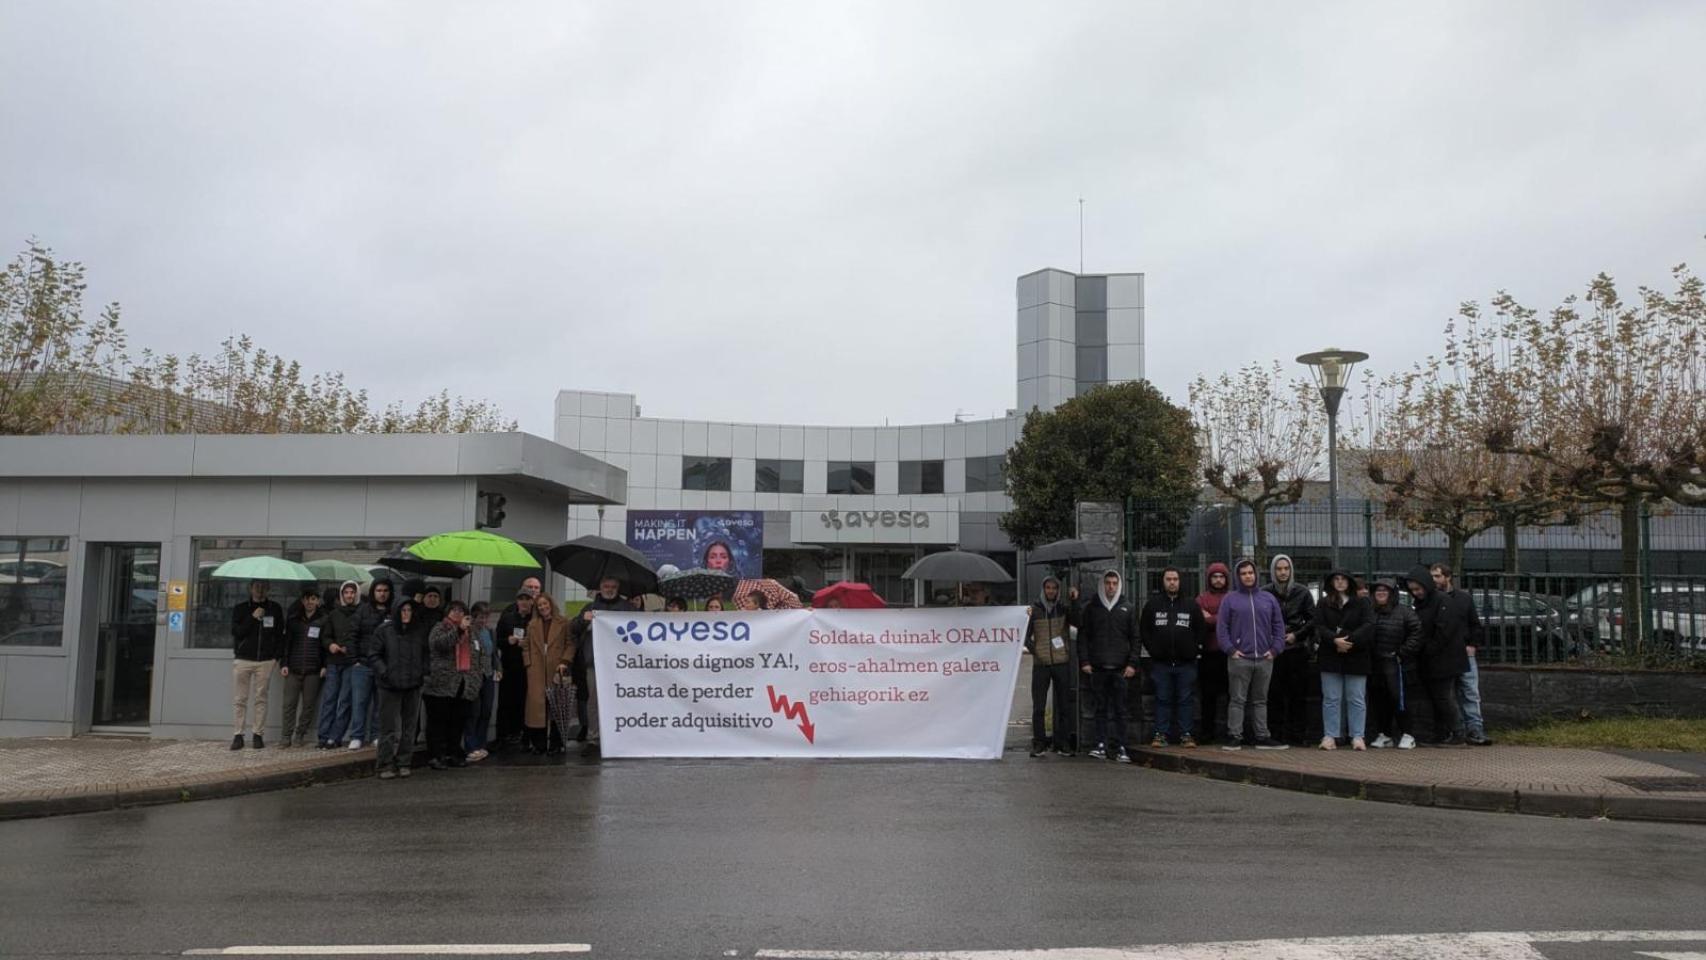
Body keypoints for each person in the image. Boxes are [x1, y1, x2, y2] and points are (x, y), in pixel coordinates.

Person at [1216, 559, 1289, 751]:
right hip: (1240, 658)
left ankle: (1262, 736)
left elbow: (1279, 626)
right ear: (1237, 577)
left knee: (1260, 700)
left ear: (1256, 574)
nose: (1248, 576)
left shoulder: (1268, 598)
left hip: (1265, 658)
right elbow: (1222, 628)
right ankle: (1234, 736)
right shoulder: (1230, 599)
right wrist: (1231, 650)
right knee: (1237, 699)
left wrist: (1275, 649)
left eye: (1251, 572)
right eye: (1243, 573)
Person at [1076, 569, 1138, 763]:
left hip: (1120, 669)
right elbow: (1083, 636)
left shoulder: (1128, 607)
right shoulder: (1092, 608)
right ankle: (1100, 744)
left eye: (1114, 583)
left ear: (1119, 585)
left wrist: (1132, 664)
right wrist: (1085, 661)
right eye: (1107, 583)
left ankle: (1122, 746)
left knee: (1120, 710)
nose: (1111, 587)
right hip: (1098, 667)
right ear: (1102, 584)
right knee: (1100, 709)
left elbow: (1135, 638)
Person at [1405, 564, 1469, 746]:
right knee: (1438, 698)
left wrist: (1426, 649)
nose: (1416, 593)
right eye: (1413, 590)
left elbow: (1444, 631)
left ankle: (1457, 733)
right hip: (1435, 657)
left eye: (1417, 589)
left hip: (1443, 658)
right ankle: (1443, 733)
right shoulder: (1429, 602)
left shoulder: (1441, 602)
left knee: (1444, 698)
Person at [1141, 567, 1204, 748]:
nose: (1172, 582)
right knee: (1162, 699)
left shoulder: (1191, 605)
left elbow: (1200, 630)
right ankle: (1160, 734)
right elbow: (1144, 630)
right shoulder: (1152, 605)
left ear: (1180, 581)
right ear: (1163, 581)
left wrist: (1194, 650)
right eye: (1168, 579)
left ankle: (1186, 735)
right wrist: (1153, 650)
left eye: (1175, 579)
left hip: (1186, 664)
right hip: (1161, 664)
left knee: (1186, 699)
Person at [1434, 564, 1493, 746]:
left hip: (1463, 651)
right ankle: (1454, 730)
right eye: (1433, 577)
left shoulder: (1463, 599)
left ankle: (1475, 729)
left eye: (1437, 576)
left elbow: (1474, 623)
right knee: (1447, 695)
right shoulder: (1432, 600)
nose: (1434, 580)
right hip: (1443, 653)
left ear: (1447, 577)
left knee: (1470, 692)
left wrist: (1473, 645)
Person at [1314, 570, 1374, 750]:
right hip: (1330, 655)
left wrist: (1349, 640)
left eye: (1343, 579)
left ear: (1350, 582)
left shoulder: (1362, 603)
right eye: (1336, 579)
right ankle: (1330, 735)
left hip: (1356, 655)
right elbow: (1319, 626)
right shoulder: (1324, 603)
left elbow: (1369, 625)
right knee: (1331, 698)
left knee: (1356, 697)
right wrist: (1334, 639)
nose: (1340, 583)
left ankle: (1357, 736)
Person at [424, 600, 486, 770]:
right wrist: (459, 630)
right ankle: (436, 755)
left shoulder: (473, 632)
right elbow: (439, 645)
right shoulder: (440, 628)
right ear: (448, 612)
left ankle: (453, 753)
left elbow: (480, 654)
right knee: (438, 722)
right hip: (441, 685)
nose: (457, 613)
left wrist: (477, 677)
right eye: (454, 610)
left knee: (457, 721)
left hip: (464, 684)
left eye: (461, 611)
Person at [371, 600, 430, 780]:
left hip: (413, 684)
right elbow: (373, 654)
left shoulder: (419, 631)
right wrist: (385, 672)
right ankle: (385, 764)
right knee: (387, 727)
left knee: (409, 727)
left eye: (409, 610)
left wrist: (424, 674)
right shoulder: (384, 630)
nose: (406, 613)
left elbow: (426, 655)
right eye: (403, 610)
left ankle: (404, 762)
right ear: (396, 611)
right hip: (389, 685)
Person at [571, 577, 628, 755]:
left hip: (621, 664)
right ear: (600, 588)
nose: (609, 589)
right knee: (594, 702)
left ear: (618, 588)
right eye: (606, 586)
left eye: (613, 586)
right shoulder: (589, 608)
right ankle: (593, 738)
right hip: (594, 663)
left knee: (622, 700)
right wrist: (583, 621)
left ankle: (620, 736)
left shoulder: (627, 609)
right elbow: (572, 628)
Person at [1266, 554, 1317, 745]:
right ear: (1273, 570)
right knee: (1274, 695)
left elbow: (1313, 620)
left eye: (1286, 568)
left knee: (1298, 696)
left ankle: (1298, 736)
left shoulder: (1303, 593)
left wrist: (1297, 635)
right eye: (1279, 569)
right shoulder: (1265, 592)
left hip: (1297, 650)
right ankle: (1276, 735)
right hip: (1274, 652)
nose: (1282, 572)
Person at [229, 580, 285, 750]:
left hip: (265, 661)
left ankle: (257, 734)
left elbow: (280, 635)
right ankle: (238, 735)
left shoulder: (275, 609)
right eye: (256, 587)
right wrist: (252, 618)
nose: (260, 590)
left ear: (268, 589)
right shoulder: (240, 608)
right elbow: (236, 632)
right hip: (244, 659)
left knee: (261, 699)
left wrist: (276, 657)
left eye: (263, 587)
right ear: (250, 588)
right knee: (240, 699)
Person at [1367, 578, 1422, 749]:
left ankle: (1408, 734)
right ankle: (1385, 734)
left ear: (1392, 594)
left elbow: (1417, 634)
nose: (1381, 593)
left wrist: (1402, 653)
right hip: (1376, 664)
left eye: (1385, 590)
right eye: (1378, 591)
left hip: (1398, 664)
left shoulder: (1405, 612)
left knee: (1401, 700)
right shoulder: (1370, 612)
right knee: (1379, 701)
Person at [1025, 575, 1076, 758]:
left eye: (1054, 588)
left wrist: (1073, 601)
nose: (1051, 591)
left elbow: (1078, 621)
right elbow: (1025, 635)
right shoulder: (1035, 610)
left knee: (1064, 706)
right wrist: (1035, 650)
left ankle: (1063, 743)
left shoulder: (1063, 609)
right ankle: (1039, 744)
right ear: (1043, 589)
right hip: (1041, 664)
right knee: (1038, 706)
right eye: (1048, 588)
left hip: (1061, 663)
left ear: (1058, 590)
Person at [277, 587, 330, 749]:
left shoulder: (324, 620)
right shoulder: (293, 620)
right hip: (293, 668)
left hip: (314, 670)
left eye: (313, 599)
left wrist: (324, 665)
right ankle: (286, 736)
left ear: (318, 601)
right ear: (302, 601)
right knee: (289, 705)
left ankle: (300, 734)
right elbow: (286, 644)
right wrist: (284, 663)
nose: (310, 602)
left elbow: (325, 645)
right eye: (307, 599)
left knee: (308, 705)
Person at [524, 593, 575, 754]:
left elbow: (570, 644)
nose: (543, 607)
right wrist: (528, 664)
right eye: (539, 605)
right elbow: (526, 646)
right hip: (536, 670)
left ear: (551, 604)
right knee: (537, 709)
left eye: (545, 604)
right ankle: (539, 744)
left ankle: (556, 744)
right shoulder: (532, 624)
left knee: (557, 707)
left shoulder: (564, 622)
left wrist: (565, 661)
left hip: (556, 668)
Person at [347, 577, 394, 750]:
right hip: (363, 664)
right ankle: (357, 735)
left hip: (384, 665)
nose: (382, 594)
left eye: (385, 591)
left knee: (380, 703)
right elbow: (352, 636)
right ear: (373, 592)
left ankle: (376, 734)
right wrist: (354, 661)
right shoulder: (362, 611)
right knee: (359, 702)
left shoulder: (393, 612)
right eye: (379, 590)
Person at [318, 581, 363, 749]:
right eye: (346, 593)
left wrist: (350, 648)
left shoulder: (361, 612)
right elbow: (325, 636)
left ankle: (335, 736)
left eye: (352, 593)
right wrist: (331, 645)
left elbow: (362, 637)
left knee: (345, 701)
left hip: (351, 662)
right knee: (329, 699)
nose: (349, 596)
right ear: (342, 596)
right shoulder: (334, 614)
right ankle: (323, 736)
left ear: (356, 594)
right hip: (333, 662)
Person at [1195, 563, 1232, 744]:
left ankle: (1229, 732)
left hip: (1228, 654)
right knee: (1208, 697)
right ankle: (1207, 733)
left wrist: (1211, 618)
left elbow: (1231, 621)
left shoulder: (1232, 598)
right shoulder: (1201, 598)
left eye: (1221, 576)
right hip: (1208, 655)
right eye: (1214, 576)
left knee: (1229, 697)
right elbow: (1198, 620)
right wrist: (1221, 620)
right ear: (1209, 578)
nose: (1218, 580)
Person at [493, 590, 534, 750]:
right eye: (521, 599)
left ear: (532, 601)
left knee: (525, 702)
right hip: (509, 666)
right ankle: (502, 736)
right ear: (517, 601)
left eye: (527, 599)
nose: (524, 602)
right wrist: (507, 641)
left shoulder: (535, 620)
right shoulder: (507, 618)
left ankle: (524, 736)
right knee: (505, 702)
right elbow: (497, 641)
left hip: (528, 667)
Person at [462, 601, 497, 762]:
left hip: (488, 675)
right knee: (473, 712)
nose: (483, 620)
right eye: (479, 617)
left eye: (485, 617)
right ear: (473, 617)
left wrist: (498, 669)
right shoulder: (468, 632)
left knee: (486, 711)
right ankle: (471, 745)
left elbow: (493, 653)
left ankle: (481, 744)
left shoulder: (490, 631)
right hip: (473, 676)